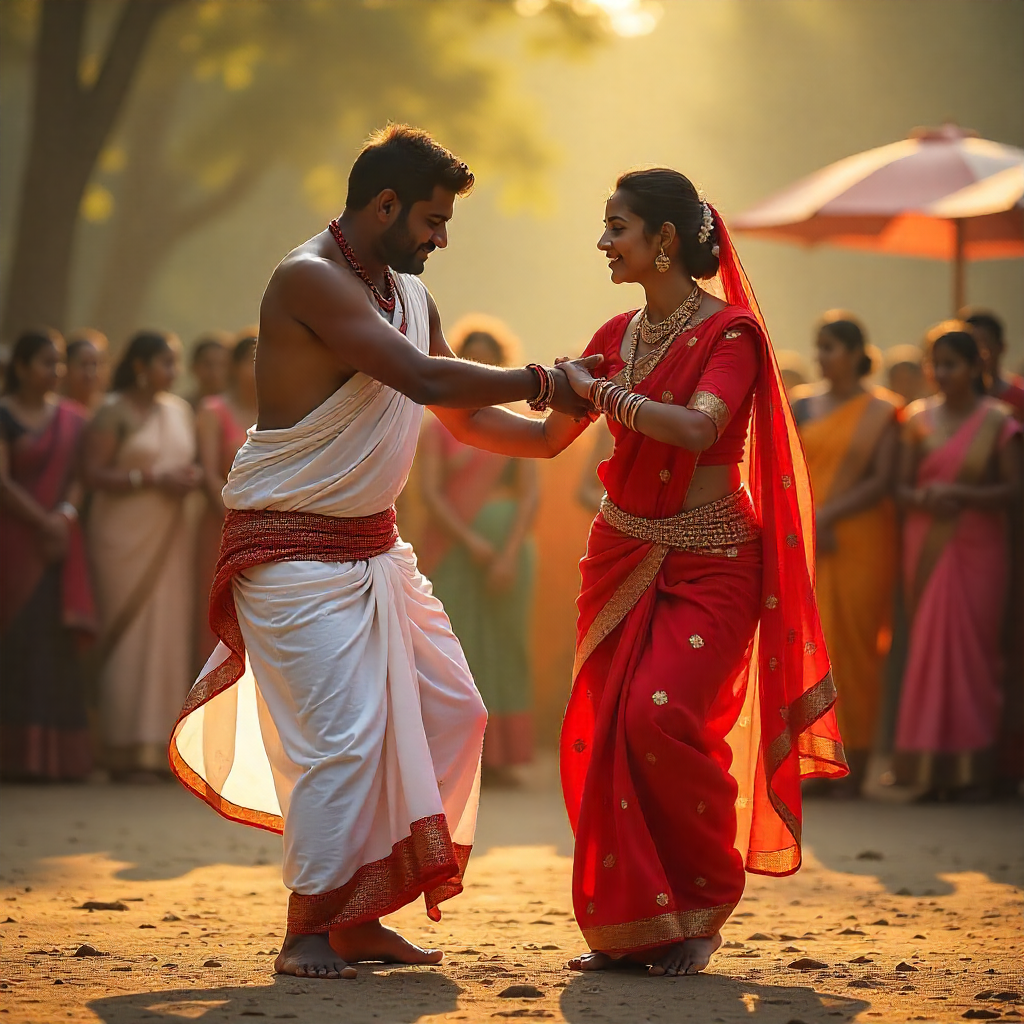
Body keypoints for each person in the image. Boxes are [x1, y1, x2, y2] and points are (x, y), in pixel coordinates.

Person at [168, 125, 594, 980]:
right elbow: (430, 382)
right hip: (287, 547)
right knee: (346, 740)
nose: (442, 238)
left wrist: (552, 435)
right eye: (434, 220)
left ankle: (361, 919)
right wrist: (545, 380)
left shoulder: (406, 290)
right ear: (385, 205)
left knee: (453, 712)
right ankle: (310, 930)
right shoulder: (309, 278)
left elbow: (462, 418)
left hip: (373, 549)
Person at [428, 169, 846, 977]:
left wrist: (606, 395)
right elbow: (547, 438)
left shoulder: (731, 336)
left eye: (617, 227)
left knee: (660, 715)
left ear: (663, 241)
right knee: (609, 728)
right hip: (624, 550)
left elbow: (695, 430)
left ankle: (703, 901)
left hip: (716, 559)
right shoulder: (616, 331)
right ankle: (635, 929)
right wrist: (436, 388)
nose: (603, 243)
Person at [894, 323, 1022, 799]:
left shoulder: (999, 422)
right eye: (936, 363)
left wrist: (962, 493)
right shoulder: (917, 419)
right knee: (928, 652)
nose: (942, 373)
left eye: (951, 364)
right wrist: (926, 499)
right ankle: (928, 771)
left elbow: (1013, 489)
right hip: (926, 539)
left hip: (979, 544)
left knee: (976, 656)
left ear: (975, 367)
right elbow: (900, 487)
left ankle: (974, 772)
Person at [418, 317, 539, 782]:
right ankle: (458, 753)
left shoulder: (522, 424)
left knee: (508, 645)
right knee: (457, 646)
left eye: (491, 360)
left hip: (510, 548)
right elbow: (430, 493)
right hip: (454, 547)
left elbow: (529, 495)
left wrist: (505, 553)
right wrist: (472, 544)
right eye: (474, 360)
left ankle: (505, 758)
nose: (483, 367)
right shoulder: (438, 426)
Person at [83, 331, 202, 780]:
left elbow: (188, 465)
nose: (173, 372)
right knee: (126, 639)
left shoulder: (179, 412)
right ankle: (116, 748)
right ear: (139, 365)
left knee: (164, 637)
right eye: (165, 363)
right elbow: (92, 473)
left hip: (171, 534)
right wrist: (150, 478)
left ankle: (156, 751)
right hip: (121, 538)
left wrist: (188, 478)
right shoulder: (112, 411)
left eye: (175, 363)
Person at [792, 313, 901, 795]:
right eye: (818, 347)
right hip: (807, 537)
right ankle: (816, 763)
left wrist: (830, 516)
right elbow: (785, 467)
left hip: (860, 537)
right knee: (811, 646)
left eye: (831, 347)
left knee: (856, 648)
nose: (822, 357)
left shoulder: (883, 410)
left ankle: (854, 759)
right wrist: (810, 520)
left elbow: (882, 479)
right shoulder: (802, 406)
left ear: (858, 353)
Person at [0, 328, 96, 780]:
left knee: (53, 645)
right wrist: (44, 522)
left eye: (58, 362)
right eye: (45, 362)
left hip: (60, 541)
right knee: (16, 643)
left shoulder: (74, 419)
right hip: (16, 543)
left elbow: (80, 476)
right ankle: (16, 759)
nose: (55, 371)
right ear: (19, 368)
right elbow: (2, 482)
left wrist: (66, 514)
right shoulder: (4, 415)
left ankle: (55, 762)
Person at [193, 332, 258, 669]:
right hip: (222, 529)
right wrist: (236, 520)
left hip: (264, 533)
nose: (258, 366)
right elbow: (207, 474)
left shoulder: (277, 409)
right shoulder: (213, 410)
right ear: (233, 366)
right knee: (218, 614)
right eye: (250, 359)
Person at [963, 309, 1024, 420]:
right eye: (971, 347)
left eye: (984, 346)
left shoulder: (1020, 396)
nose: (978, 355)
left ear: (1001, 347)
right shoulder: (953, 399)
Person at [62, 329, 109, 411]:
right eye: (84, 364)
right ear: (67, 368)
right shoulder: (55, 411)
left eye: (94, 364)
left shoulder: (108, 409)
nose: (90, 372)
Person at [187, 332, 231, 408]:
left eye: (222, 365)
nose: (215, 372)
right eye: (208, 364)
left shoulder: (239, 409)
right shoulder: (183, 408)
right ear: (194, 367)